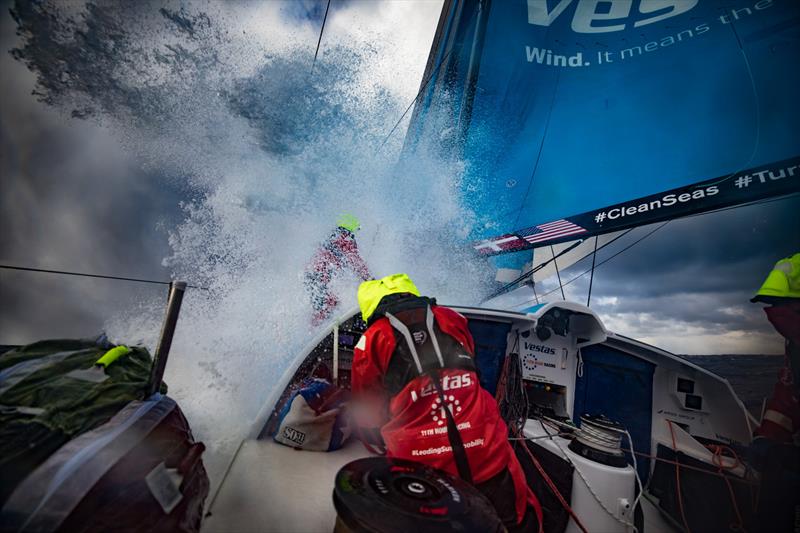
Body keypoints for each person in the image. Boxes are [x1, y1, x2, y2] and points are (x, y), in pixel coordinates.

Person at [351, 273, 542, 532]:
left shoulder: (371, 339)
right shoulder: (453, 319)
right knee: (513, 519)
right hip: (488, 455)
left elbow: (367, 405)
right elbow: (471, 364)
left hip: (422, 471)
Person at [749, 253, 800, 533]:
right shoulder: (795, 347)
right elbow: (787, 399)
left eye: (784, 306)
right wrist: (768, 437)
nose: (775, 315)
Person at [304, 214, 371, 326]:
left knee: (322, 307)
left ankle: (312, 328)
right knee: (330, 305)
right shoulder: (345, 239)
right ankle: (319, 331)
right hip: (320, 277)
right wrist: (369, 278)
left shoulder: (332, 237)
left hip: (311, 275)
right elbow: (356, 262)